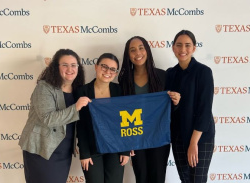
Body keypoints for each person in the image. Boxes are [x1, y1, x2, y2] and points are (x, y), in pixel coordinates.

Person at [18, 49, 91, 183]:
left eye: (73, 65)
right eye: (65, 65)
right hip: (41, 150)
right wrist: (75, 108)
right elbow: (48, 118)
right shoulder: (44, 87)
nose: (70, 69)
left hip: (64, 151)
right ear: (56, 67)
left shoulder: (77, 89)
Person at [118, 36, 172, 183]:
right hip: (136, 137)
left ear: (147, 50)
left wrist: (177, 101)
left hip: (159, 137)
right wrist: (127, 142)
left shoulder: (162, 75)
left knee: (158, 178)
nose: (138, 53)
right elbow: (122, 111)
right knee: (141, 177)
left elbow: (170, 107)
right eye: (132, 50)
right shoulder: (124, 80)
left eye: (141, 48)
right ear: (128, 55)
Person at [165, 30, 215, 183]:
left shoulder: (204, 72)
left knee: (197, 180)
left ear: (194, 48)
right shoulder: (170, 74)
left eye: (187, 45)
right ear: (173, 48)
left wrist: (194, 143)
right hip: (179, 136)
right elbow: (168, 110)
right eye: (179, 45)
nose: (183, 49)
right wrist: (175, 103)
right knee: (185, 180)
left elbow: (205, 110)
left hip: (200, 137)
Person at [74, 53, 130, 183]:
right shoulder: (82, 91)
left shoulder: (120, 91)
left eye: (112, 69)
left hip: (116, 149)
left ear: (116, 73)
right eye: (104, 66)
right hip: (92, 149)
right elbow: (81, 125)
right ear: (96, 67)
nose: (107, 71)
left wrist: (126, 150)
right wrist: (84, 153)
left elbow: (125, 122)